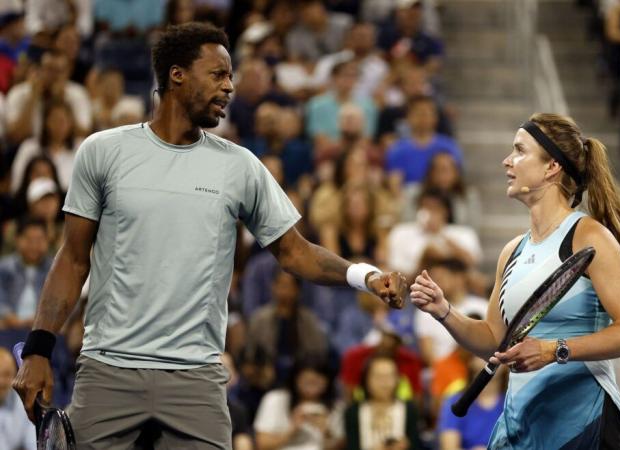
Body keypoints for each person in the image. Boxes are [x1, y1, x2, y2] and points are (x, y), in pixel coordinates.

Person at [12, 22, 408, 449]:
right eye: (218, 74)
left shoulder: (239, 166)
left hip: (196, 378)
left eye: (231, 76)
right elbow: (72, 259)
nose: (230, 87)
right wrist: (38, 348)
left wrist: (363, 276)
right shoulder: (102, 152)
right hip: (110, 370)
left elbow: (296, 253)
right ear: (177, 75)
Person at [410, 113, 620, 448]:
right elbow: (494, 339)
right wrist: (444, 311)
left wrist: (552, 349)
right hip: (523, 423)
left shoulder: (589, 237)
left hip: (584, 421)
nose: (507, 161)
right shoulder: (511, 251)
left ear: (551, 167)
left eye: (519, 151)